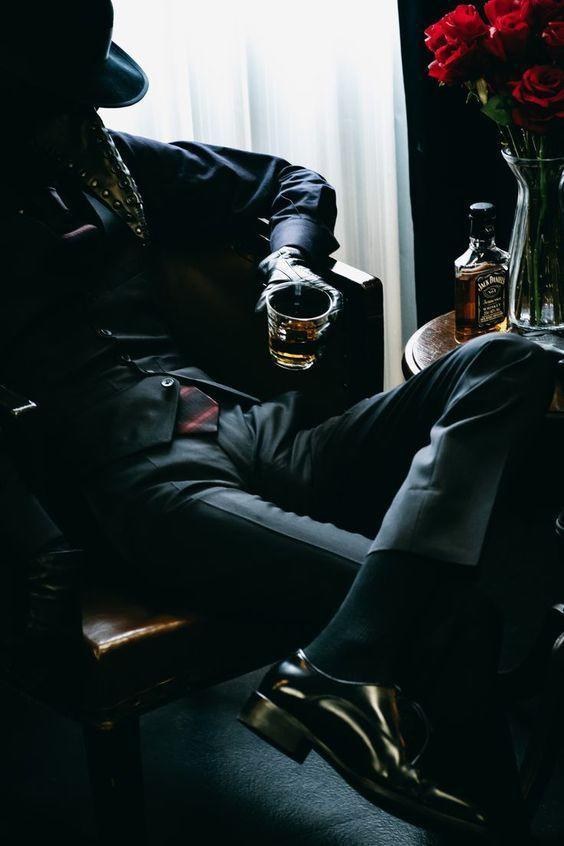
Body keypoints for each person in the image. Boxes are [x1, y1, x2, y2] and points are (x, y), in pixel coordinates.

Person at [0, 0, 560, 840]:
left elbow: (292, 183)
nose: (81, 117)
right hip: (146, 486)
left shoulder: (111, 161)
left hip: (261, 431)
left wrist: (286, 260)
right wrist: (38, 547)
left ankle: (337, 664)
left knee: (511, 359)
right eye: (59, 99)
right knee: (451, 611)